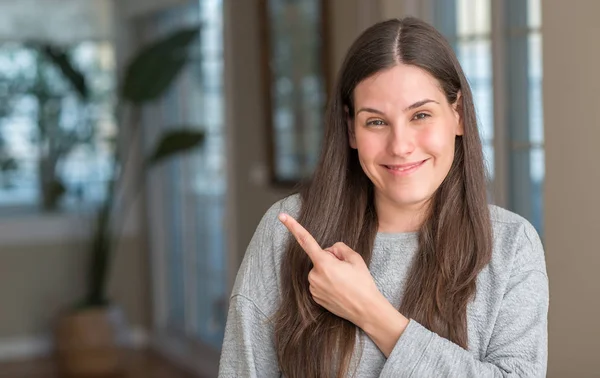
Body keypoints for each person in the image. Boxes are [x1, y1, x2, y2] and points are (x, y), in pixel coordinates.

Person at [218, 17, 548, 378]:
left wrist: (372, 312)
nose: (401, 146)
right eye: (376, 121)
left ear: (458, 116)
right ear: (351, 129)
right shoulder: (290, 232)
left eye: (420, 115)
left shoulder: (511, 245)